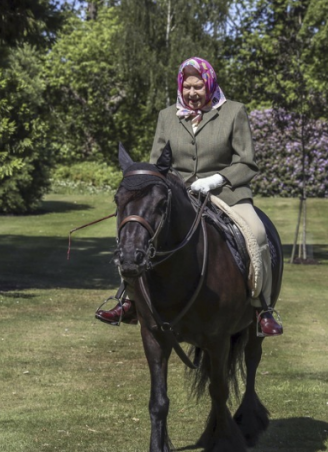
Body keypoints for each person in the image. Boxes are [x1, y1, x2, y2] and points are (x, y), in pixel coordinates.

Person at [96, 57, 283, 336]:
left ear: (209, 84)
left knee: (256, 232)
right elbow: (157, 165)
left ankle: (261, 308)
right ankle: (130, 300)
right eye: (187, 87)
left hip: (226, 193)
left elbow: (246, 162)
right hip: (179, 194)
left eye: (198, 87)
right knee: (138, 233)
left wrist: (216, 180)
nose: (193, 93)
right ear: (180, 87)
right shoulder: (166, 116)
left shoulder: (233, 112)